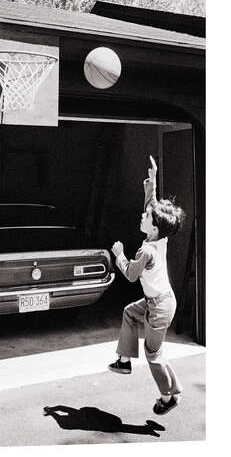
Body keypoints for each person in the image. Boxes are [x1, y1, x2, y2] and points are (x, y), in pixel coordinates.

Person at [108, 155, 185, 415]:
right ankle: (124, 361)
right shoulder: (159, 236)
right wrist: (152, 180)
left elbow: (130, 274)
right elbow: (151, 205)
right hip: (159, 300)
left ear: (153, 228)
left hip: (161, 306)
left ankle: (168, 396)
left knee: (153, 354)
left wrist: (118, 253)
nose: (143, 215)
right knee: (130, 312)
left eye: (146, 217)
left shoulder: (147, 252)